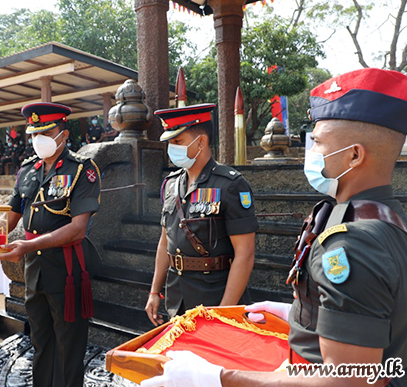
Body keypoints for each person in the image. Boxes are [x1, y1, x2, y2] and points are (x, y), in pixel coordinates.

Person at [142, 68, 407, 387]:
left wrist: (219, 377)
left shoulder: (352, 245)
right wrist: (294, 314)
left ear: (353, 155)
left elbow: (349, 381)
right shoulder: (379, 215)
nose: (312, 152)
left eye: (319, 143)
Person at [0, 102, 101, 387]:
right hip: (34, 269)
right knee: (40, 339)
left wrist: (26, 247)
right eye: (33, 134)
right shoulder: (27, 170)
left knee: (69, 345)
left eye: (45, 133)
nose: (37, 140)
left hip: (66, 270)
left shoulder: (82, 170)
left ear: (64, 135)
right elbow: (11, 216)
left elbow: (78, 229)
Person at [144, 104, 257, 326]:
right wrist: (154, 292)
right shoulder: (171, 184)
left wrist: (224, 313)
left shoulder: (231, 184)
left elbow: (245, 254)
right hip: (177, 295)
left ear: (201, 142)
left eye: (177, 142)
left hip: (215, 294)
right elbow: (164, 240)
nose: (171, 148)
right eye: (170, 143)